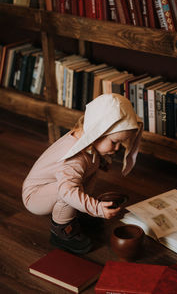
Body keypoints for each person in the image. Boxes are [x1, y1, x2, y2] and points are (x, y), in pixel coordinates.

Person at [22, 93, 143, 254]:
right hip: (35, 196)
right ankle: (61, 231)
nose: (117, 148)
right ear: (97, 133)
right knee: (67, 191)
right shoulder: (74, 159)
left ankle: (77, 212)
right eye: (114, 142)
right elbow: (68, 190)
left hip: (56, 186)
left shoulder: (89, 142)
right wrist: (97, 208)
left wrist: (102, 162)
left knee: (88, 172)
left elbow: (89, 165)